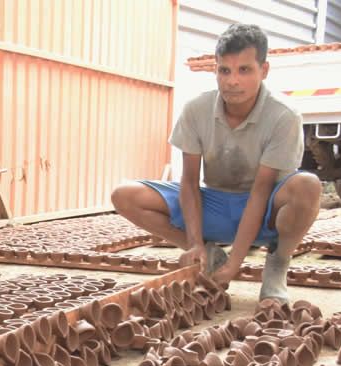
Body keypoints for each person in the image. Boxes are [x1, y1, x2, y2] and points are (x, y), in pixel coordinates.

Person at [111, 23, 321, 302]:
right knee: (125, 195)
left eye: (244, 70)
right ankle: (207, 254)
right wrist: (195, 242)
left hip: (264, 209)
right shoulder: (196, 109)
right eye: (225, 70)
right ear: (216, 70)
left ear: (264, 70)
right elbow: (188, 181)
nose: (232, 81)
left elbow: (260, 191)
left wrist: (237, 261)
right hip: (215, 203)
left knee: (307, 186)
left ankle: (278, 263)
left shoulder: (284, 116)